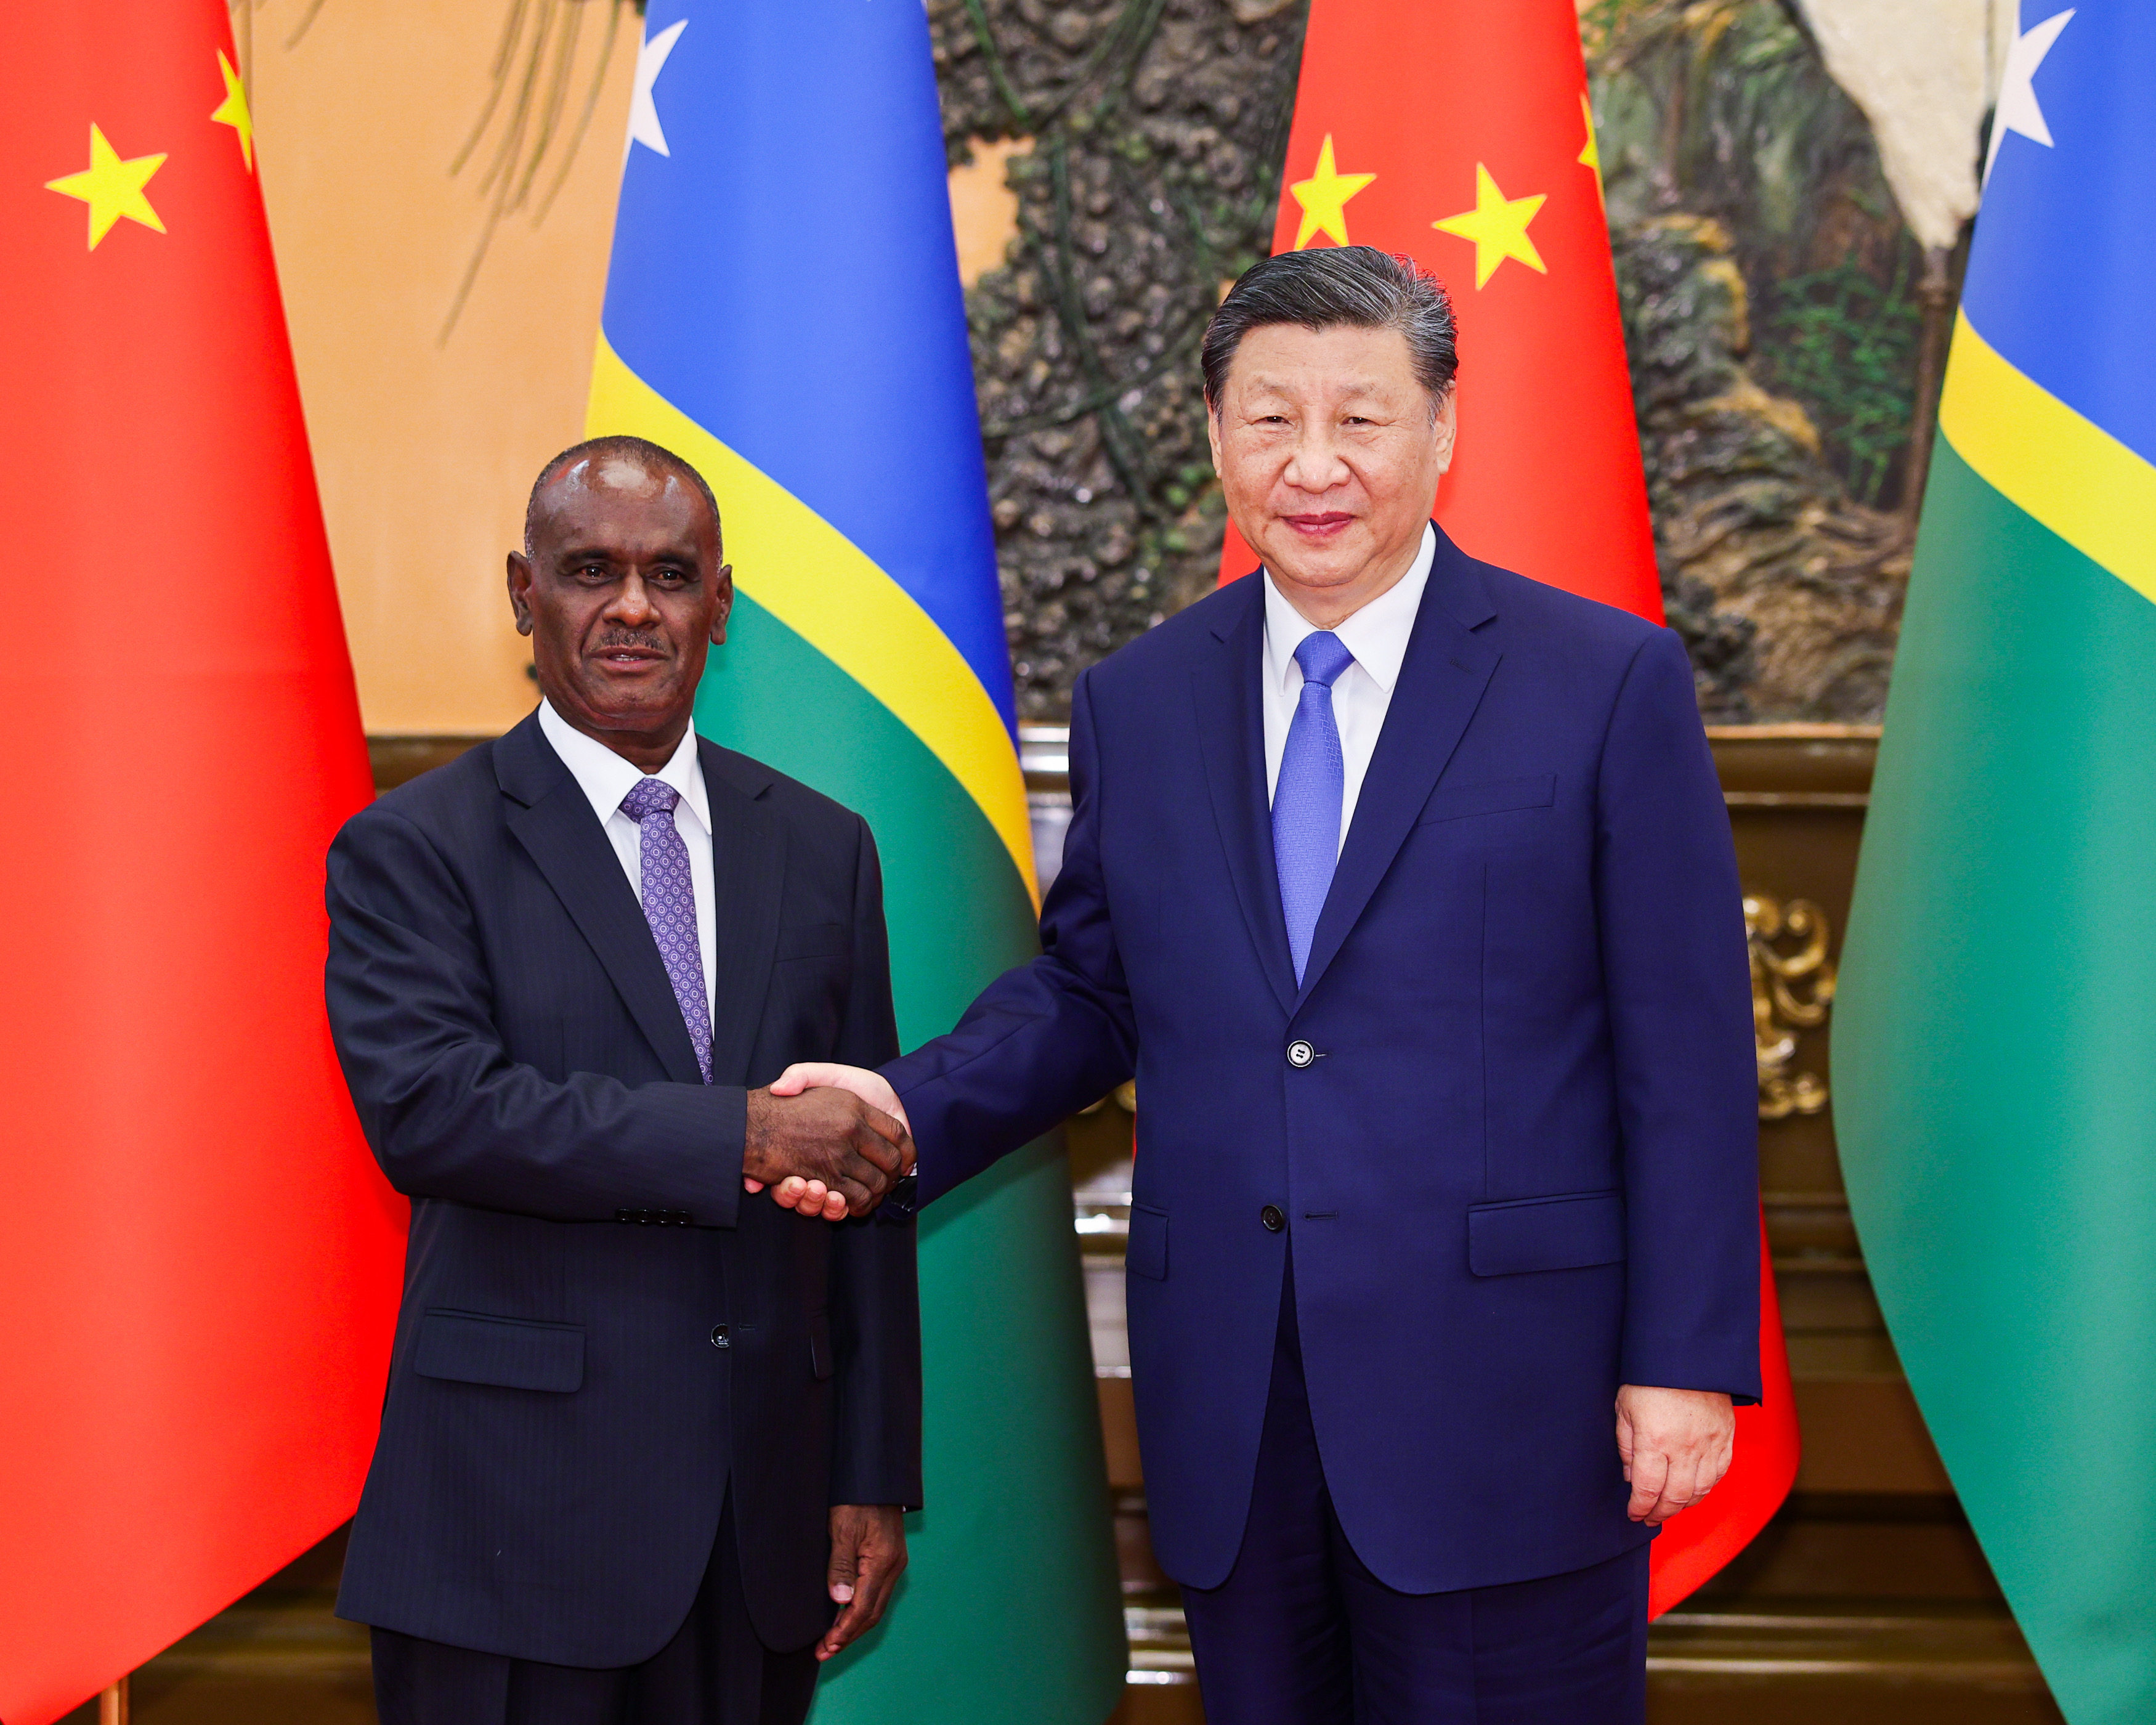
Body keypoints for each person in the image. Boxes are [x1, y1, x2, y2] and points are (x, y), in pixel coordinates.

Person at [771, 248, 1762, 1722]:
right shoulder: (1142, 696)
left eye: (1359, 419)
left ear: (1441, 430)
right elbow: (1094, 991)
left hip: (1510, 1397)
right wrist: (899, 1103)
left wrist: (1682, 1359)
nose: (1313, 465)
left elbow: (1684, 1049)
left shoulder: (1604, 680)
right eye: (1268, 418)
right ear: (1217, 439)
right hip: (1237, 1395)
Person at [323, 436, 922, 1725]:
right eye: (591, 570)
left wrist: (869, 1468)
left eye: (670, 572)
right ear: (523, 593)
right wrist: (747, 1133)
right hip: (511, 1522)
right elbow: (437, 1111)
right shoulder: (411, 847)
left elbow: (869, 1173)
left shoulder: (825, 848)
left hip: (758, 1520)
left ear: (722, 603)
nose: (634, 606)